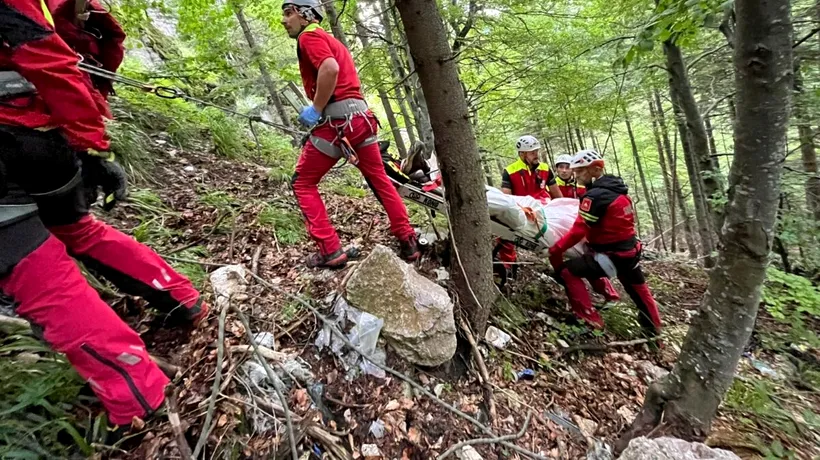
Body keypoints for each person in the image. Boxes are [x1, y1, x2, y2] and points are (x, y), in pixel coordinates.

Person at [0, 0, 206, 429]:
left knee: (35, 271)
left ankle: (140, 395)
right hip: (45, 133)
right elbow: (61, 47)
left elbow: (44, 47)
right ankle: (181, 298)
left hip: (14, 140)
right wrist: (87, 144)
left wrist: (88, 142)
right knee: (79, 230)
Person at [281, 0, 420, 268]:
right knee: (379, 179)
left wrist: (316, 108)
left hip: (337, 122)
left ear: (305, 14)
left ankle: (330, 250)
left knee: (302, 183)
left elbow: (330, 69)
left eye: (289, 14)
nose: (285, 20)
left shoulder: (309, 36)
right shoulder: (333, 41)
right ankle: (408, 241)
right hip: (362, 119)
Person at [548, 149, 662, 337]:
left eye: (580, 171)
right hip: (630, 253)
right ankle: (655, 332)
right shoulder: (617, 189)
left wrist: (556, 249)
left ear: (594, 170)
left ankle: (589, 319)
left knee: (568, 271)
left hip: (610, 255)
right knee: (639, 291)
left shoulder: (594, 197)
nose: (576, 176)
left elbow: (578, 230)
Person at [495, 135, 563, 274]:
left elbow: (557, 195)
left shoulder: (545, 168)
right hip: (524, 209)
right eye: (532, 153)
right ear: (522, 154)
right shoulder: (510, 171)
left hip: (545, 209)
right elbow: (507, 197)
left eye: (536, 151)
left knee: (553, 235)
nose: (536, 155)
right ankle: (509, 267)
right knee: (504, 232)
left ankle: (560, 268)